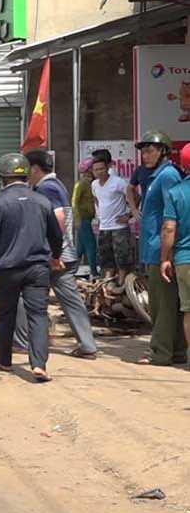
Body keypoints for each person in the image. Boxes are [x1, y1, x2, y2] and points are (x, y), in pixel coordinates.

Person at [0, 153, 62, 383]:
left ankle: (4, 360)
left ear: (2, 177)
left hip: (8, 270)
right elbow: (56, 234)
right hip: (38, 269)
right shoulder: (42, 201)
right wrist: (56, 256)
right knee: (38, 316)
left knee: (5, 315)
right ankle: (39, 365)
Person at [13, 149, 98, 360]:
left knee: (22, 293)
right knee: (71, 301)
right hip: (63, 254)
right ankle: (87, 345)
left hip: (53, 256)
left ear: (34, 168)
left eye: (27, 169)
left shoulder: (47, 188)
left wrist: (54, 253)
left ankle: (23, 342)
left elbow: (58, 219)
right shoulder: (55, 184)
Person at [135, 131, 187, 366]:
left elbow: (173, 219)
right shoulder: (156, 176)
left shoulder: (167, 176)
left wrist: (169, 252)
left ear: (164, 151)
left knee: (161, 305)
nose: (145, 155)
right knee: (168, 305)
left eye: (150, 150)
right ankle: (175, 351)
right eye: (143, 151)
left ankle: (160, 352)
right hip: (154, 247)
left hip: (161, 250)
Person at [160, 144, 190, 363]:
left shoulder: (176, 192)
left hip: (184, 260)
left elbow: (170, 229)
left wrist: (165, 259)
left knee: (189, 311)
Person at [90, 154, 134, 285]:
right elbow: (96, 199)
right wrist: (99, 216)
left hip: (119, 228)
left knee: (122, 260)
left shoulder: (118, 182)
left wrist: (129, 215)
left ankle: (121, 285)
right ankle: (109, 286)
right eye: (96, 170)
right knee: (106, 261)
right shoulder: (94, 184)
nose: (99, 172)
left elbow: (135, 197)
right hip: (104, 228)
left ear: (108, 168)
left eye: (101, 169)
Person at [72, 159, 99, 277]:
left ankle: (71, 272)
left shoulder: (91, 183)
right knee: (91, 246)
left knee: (81, 248)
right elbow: (74, 202)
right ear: (89, 171)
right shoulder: (82, 183)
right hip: (83, 220)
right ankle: (94, 272)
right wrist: (77, 219)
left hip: (88, 219)